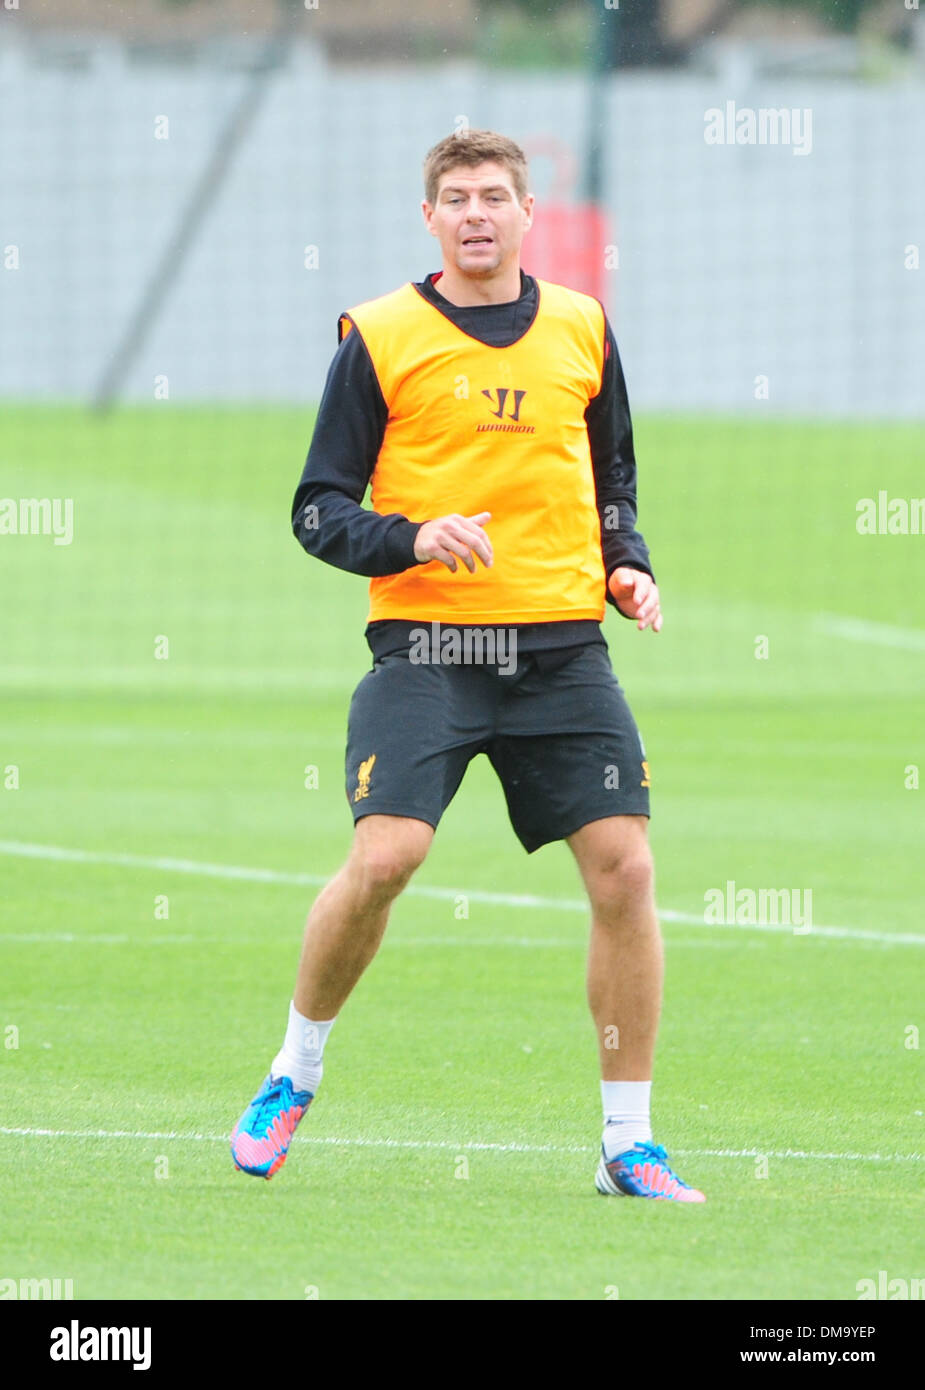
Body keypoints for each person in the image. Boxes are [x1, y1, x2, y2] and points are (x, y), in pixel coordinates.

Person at [230, 129, 705, 1203]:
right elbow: (317, 509)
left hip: (561, 651)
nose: (477, 212)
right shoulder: (382, 335)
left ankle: (626, 1141)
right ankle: (289, 1075)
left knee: (626, 871)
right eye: (456, 197)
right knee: (388, 855)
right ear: (430, 218)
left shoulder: (582, 326)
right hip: (429, 650)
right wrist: (411, 537)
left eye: (496, 195)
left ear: (528, 213)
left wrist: (625, 567)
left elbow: (610, 477)